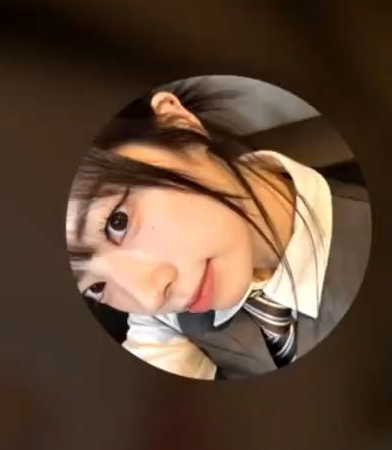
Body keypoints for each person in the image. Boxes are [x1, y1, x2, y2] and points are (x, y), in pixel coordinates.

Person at [66, 79, 371, 380]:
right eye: (96, 287)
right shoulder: (162, 319)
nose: (150, 298)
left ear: (176, 123)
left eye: (117, 222)